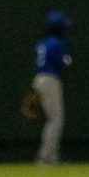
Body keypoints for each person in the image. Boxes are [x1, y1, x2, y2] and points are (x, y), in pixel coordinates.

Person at [32, 10, 72, 165]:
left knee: (52, 119)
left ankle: (50, 157)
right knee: (56, 119)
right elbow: (62, 64)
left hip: (39, 79)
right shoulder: (56, 43)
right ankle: (46, 157)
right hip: (50, 79)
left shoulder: (43, 43)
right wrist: (68, 60)